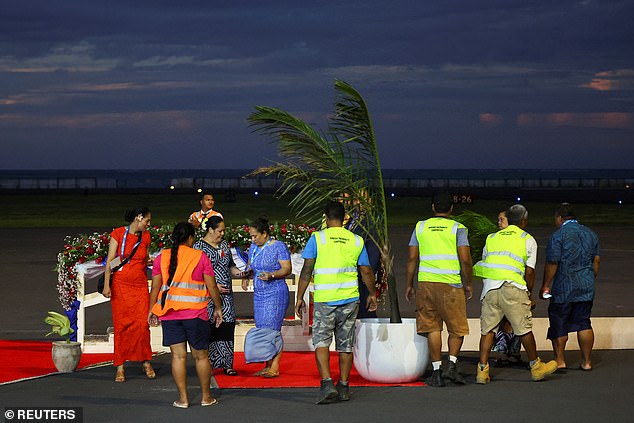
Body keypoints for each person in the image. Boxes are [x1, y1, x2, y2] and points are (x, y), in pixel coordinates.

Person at [296, 201, 377, 404]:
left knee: (322, 341)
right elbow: (366, 270)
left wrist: (299, 297)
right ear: (345, 217)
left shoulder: (317, 238)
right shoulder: (356, 240)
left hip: (325, 300)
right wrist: (372, 293)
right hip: (350, 299)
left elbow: (307, 270)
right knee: (345, 344)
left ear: (325, 216)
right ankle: (343, 385)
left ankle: (326, 383)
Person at [473, 204, 558, 383]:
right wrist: (529, 293)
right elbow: (529, 271)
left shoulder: (491, 237)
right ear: (523, 221)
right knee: (524, 329)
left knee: (488, 330)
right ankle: (536, 367)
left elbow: (485, 263)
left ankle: (482, 370)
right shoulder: (527, 239)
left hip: (490, 288)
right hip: (513, 287)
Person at [149, 222, 223, 408]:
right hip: (195, 315)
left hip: (170, 315)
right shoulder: (200, 256)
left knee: (178, 357)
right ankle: (206, 397)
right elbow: (212, 286)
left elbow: (155, 287)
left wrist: (151, 310)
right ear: (191, 238)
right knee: (201, 356)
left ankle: (183, 399)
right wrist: (218, 307)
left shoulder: (161, 257)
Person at [405, 192, 473, 387]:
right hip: (451, 285)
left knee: (432, 328)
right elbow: (465, 259)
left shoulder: (420, 226)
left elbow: (411, 259)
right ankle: (451, 365)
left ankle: (436, 372)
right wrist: (468, 283)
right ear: (451, 208)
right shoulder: (458, 228)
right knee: (457, 327)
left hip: (426, 284)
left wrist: (409, 284)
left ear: (433, 207)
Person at [540, 203, 600, 371]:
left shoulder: (558, 236)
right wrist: (591, 276)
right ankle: (586, 361)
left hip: (564, 287)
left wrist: (545, 285)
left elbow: (553, 263)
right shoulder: (591, 234)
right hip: (586, 285)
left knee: (559, 322)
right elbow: (596, 261)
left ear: (560, 218)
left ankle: (560, 360)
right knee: (584, 322)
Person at [102, 206, 155, 383]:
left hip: (139, 285)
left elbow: (144, 259)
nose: (149, 223)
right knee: (121, 325)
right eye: (147, 220)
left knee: (142, 325)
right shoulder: (117, 234)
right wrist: (107, 284)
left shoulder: (146, 236)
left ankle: (146, 361)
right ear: (138, 218)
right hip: (121, 285)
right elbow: (110, 261)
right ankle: (120, 366)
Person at [194, 215, 249, 376]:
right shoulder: (199, 247)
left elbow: (230, 266)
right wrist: (214, 287)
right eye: (219, 231)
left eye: (224, 230)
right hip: (207, 296)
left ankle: (227, 363)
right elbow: (195, 273)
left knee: (227, 326)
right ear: (210, 230)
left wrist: (241, 274)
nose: (222, 234)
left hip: (226, 297)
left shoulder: (224, 245)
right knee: (209, 327)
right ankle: (208, 364)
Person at [241, 216, 292, 378]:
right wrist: (246, 276)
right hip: (259, 295)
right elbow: (251, 265)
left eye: (255, 235)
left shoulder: (278, 246)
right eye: (251, 236)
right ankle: (267, 365)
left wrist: (272, 275)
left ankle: (275, 366)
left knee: (273, 330)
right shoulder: (254, 247)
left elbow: (287, 269)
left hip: (275, 293)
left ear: (265, 234)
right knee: (263, 330)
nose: (253, 239)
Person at [491, 210, 522, 364]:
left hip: (512, 285)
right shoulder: (493, 239)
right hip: (498, 286)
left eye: (501, 219)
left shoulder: (519, 239)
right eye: (498, 219)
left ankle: (512, 347)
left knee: (513, 318)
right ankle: (504, 348)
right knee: (501, 318)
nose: (498, 223)